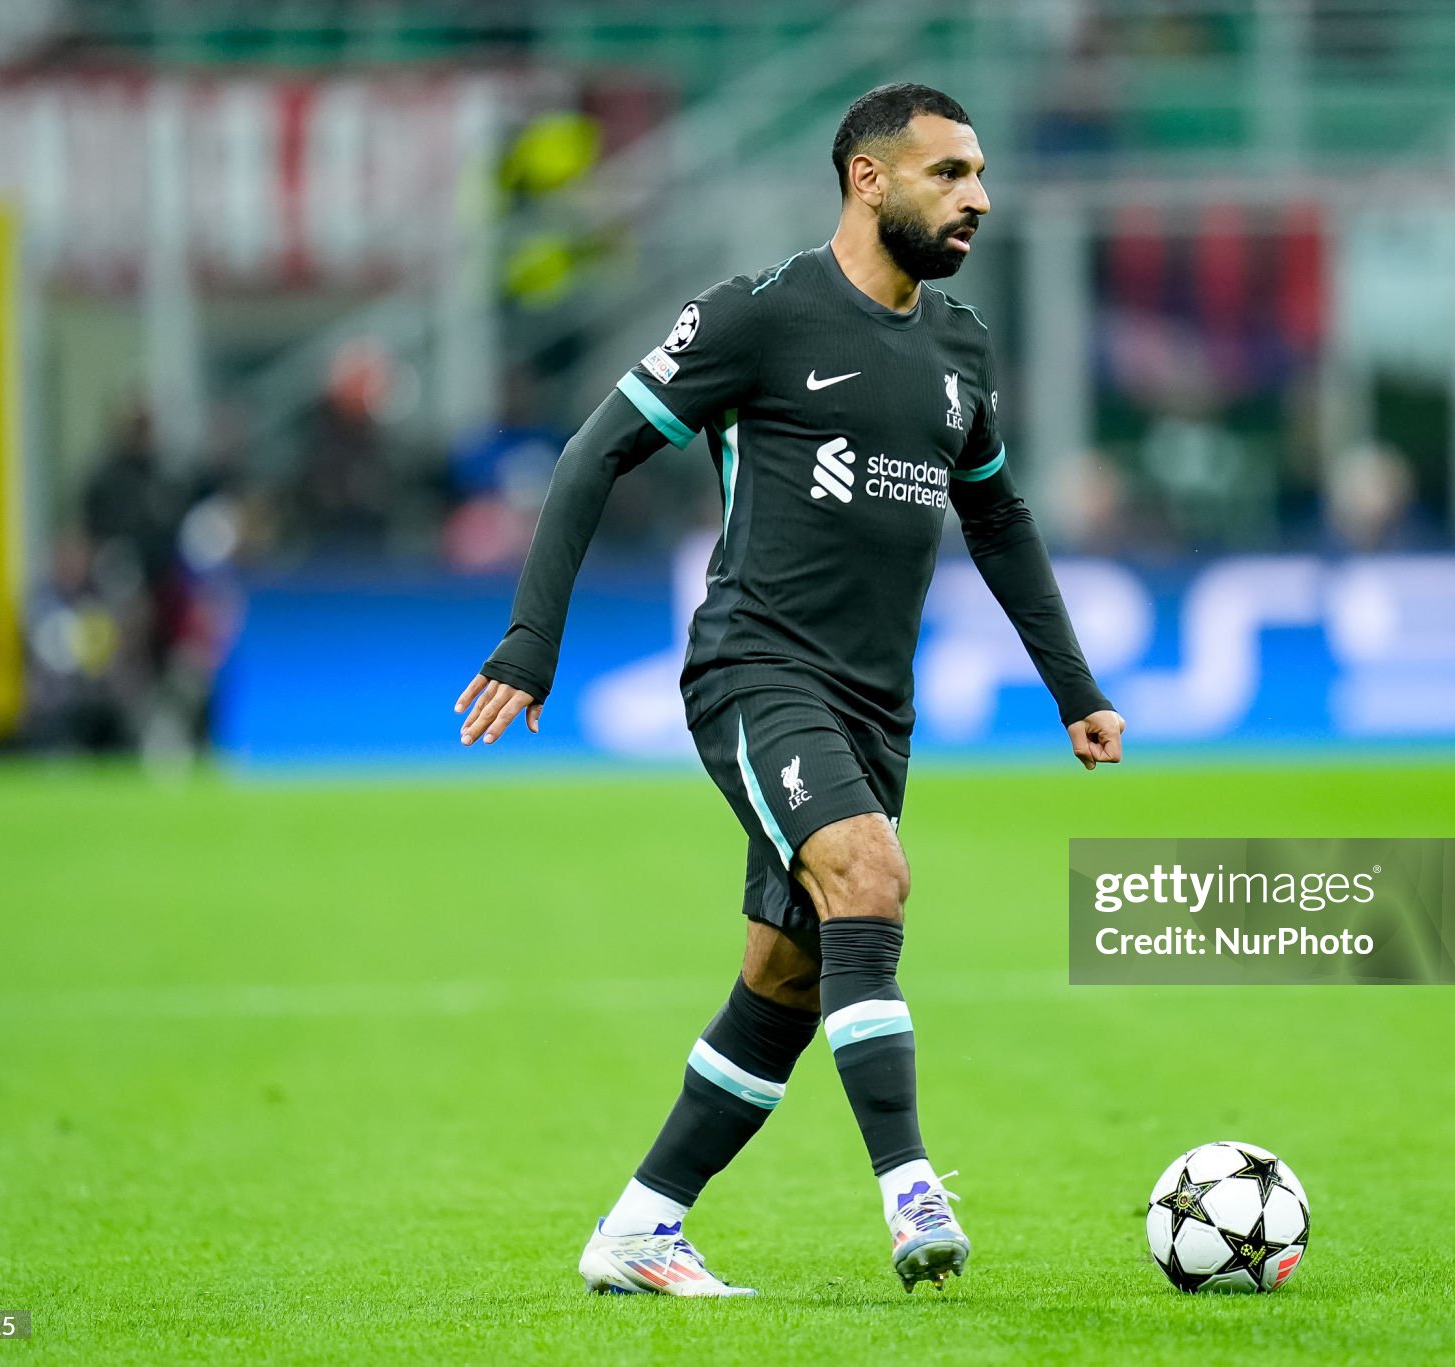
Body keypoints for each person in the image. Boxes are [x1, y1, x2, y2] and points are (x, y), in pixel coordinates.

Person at [453, 83, 1125, 1297]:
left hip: (875, 709)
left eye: (979, 174)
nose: (976, 196)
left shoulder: (959, 346)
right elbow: (593, 450)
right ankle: (911, 1189)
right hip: (756, 667)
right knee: (869, 874)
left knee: (786, 972)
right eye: (948, 172)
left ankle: (640, 1229)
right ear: (869, 179)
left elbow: (998, 518)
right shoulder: (756, 316)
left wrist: (1071, 685)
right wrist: (529, 641)